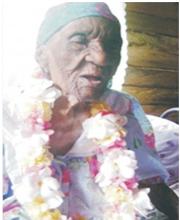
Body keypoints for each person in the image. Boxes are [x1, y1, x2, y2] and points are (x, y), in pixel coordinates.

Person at [3, 2, 178, 220]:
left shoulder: (122, 108)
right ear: (42, 55)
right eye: (80, 41)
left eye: (112, 45)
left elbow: (151, 181)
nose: (102, 58)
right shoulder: (10, 109)